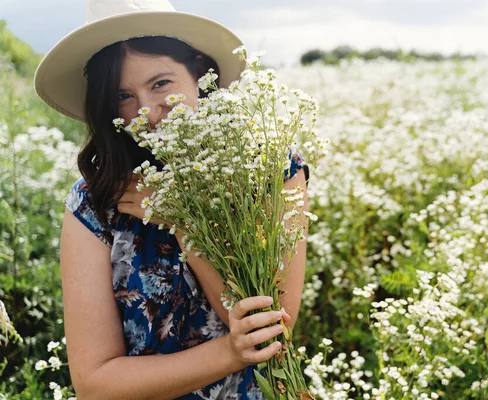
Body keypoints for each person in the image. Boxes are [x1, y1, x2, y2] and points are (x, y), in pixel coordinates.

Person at [33, 0, 310, 399]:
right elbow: (94, 385)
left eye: (161, 83)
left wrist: (180, 218)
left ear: (198, 71)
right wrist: (230, 353)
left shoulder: (270, 168)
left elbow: (272, 327)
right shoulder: (94, 202)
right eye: (123, 96)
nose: (146, 111)